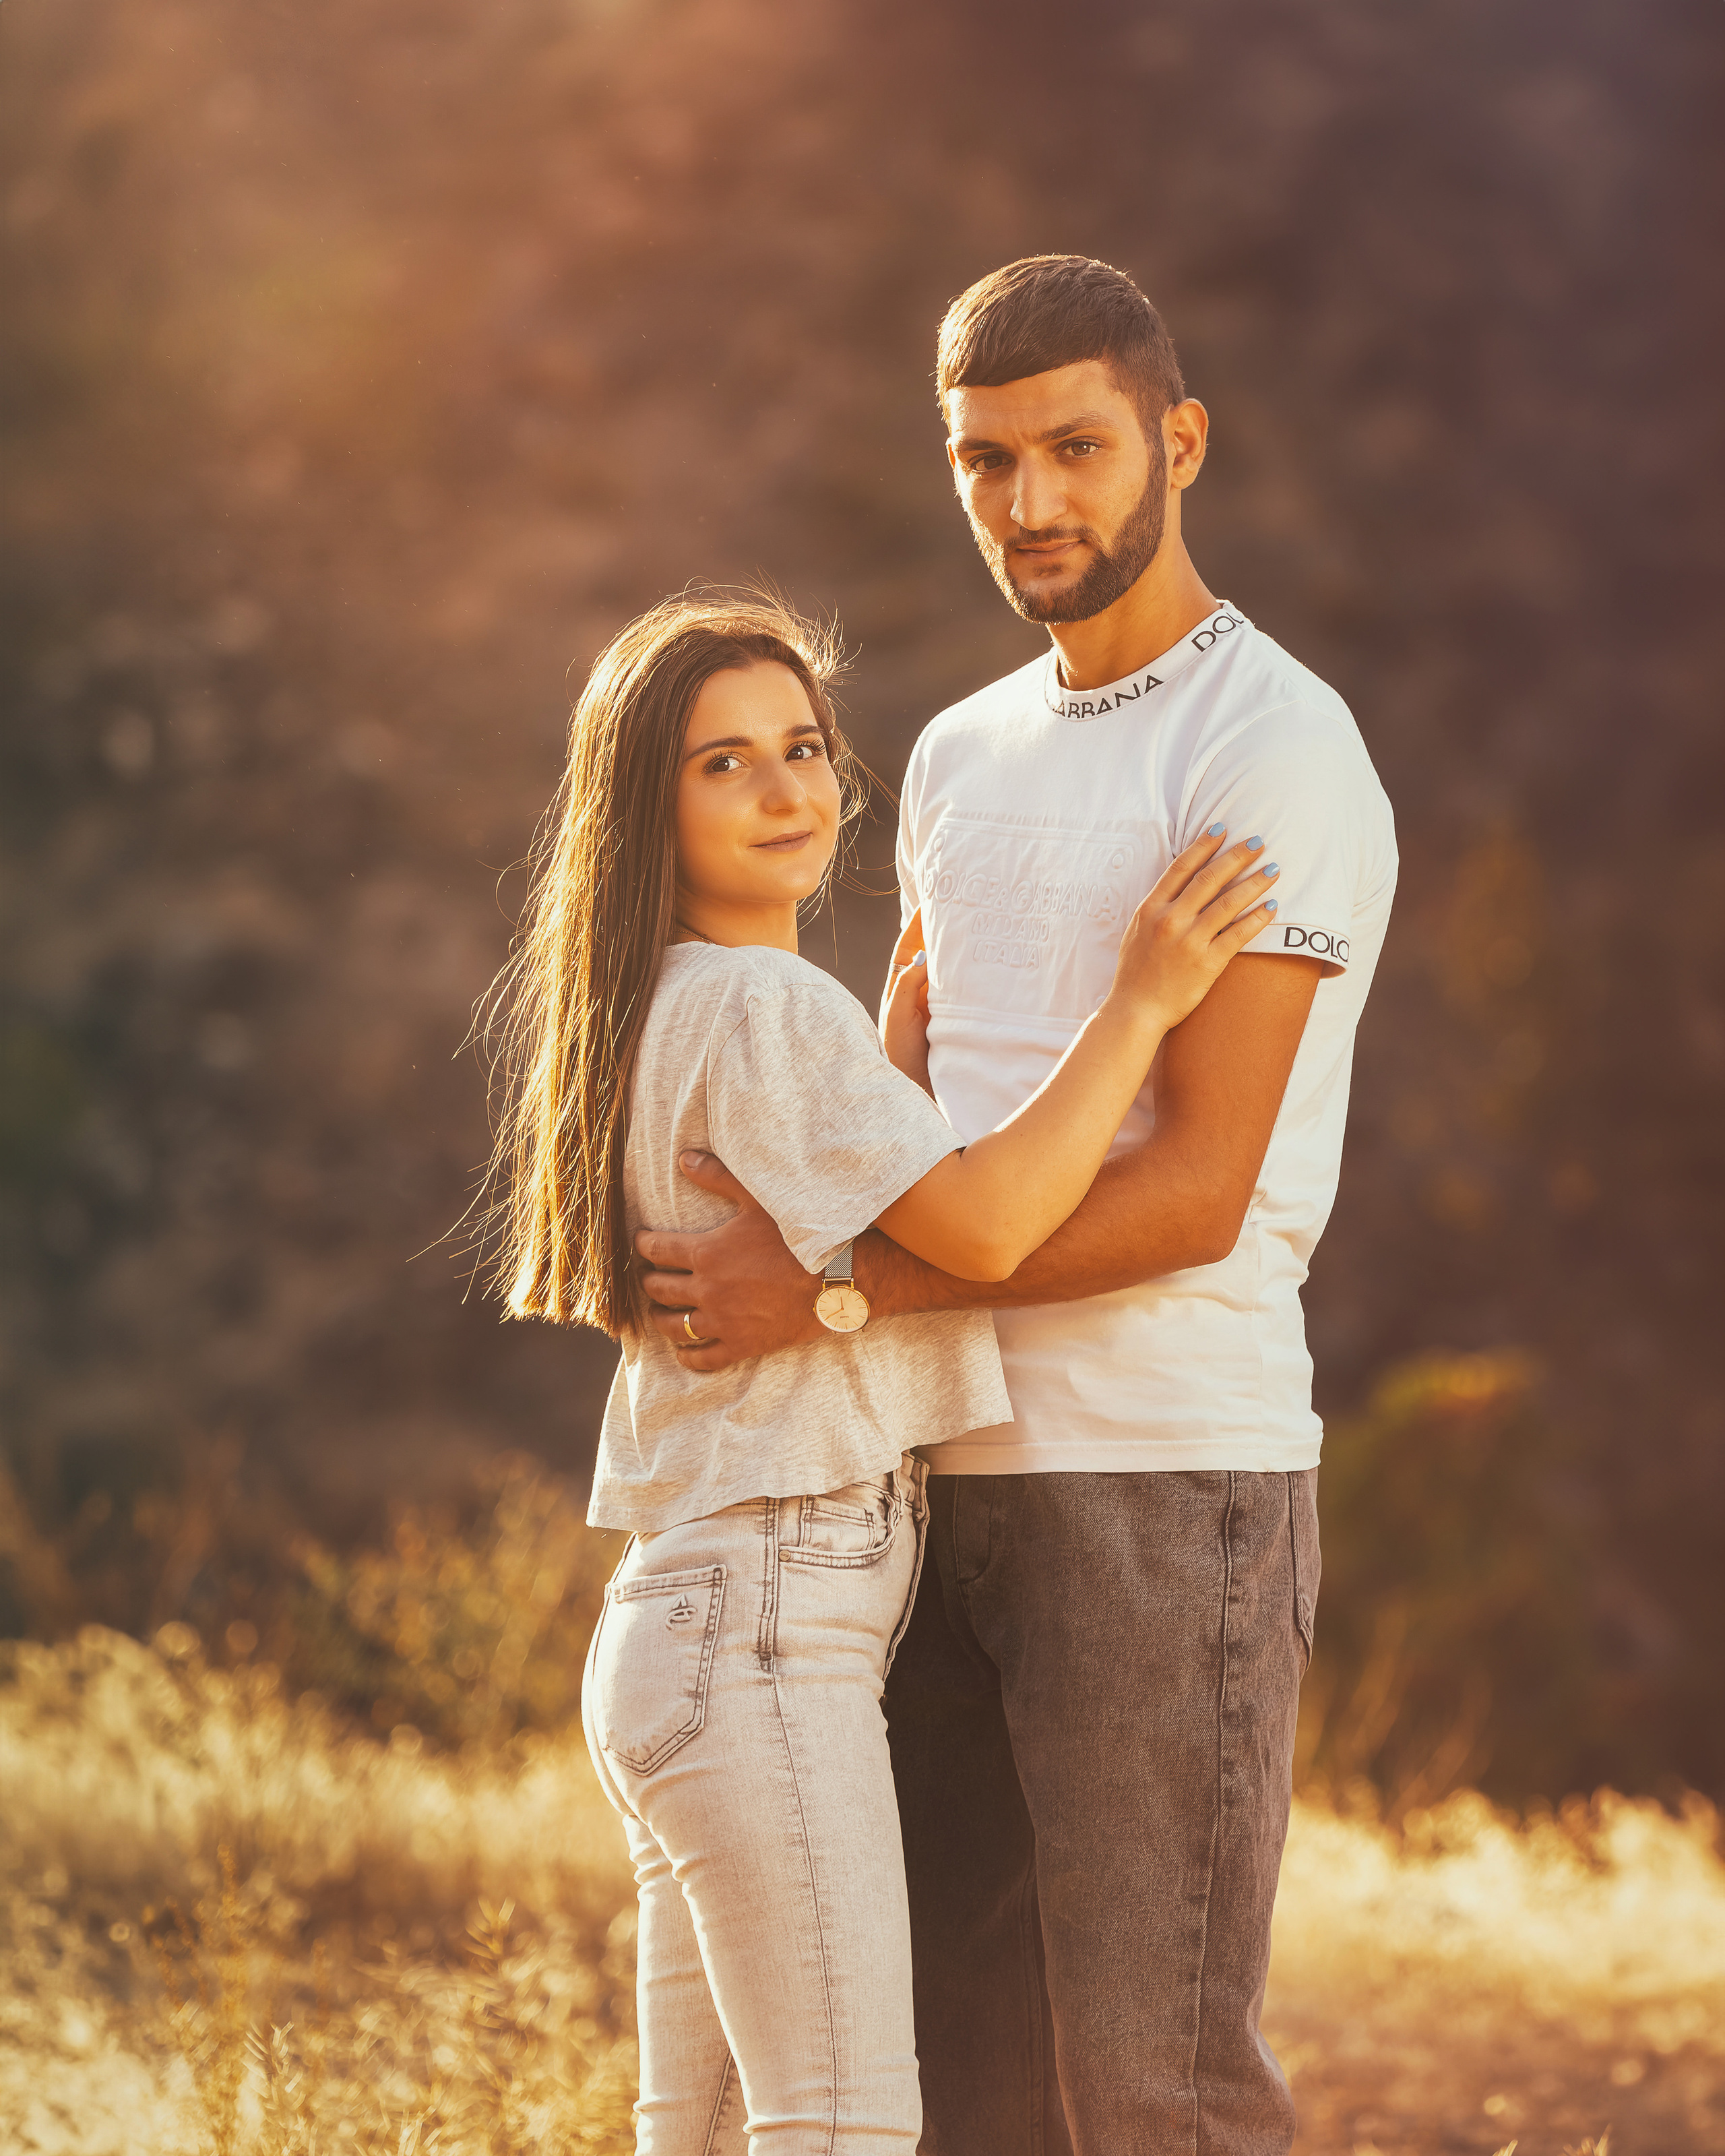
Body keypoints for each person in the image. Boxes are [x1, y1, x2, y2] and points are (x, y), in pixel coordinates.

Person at [633, 258, 1400, 2155]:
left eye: (1076, 449)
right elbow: (914, 1116)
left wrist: (822, 1298)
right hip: (920, 1498)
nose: (1032, 502)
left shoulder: (1268, 748)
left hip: (1158, 1484)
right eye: (988, 460)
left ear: (1179, 440)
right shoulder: (962, 758)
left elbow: (1199, 1192)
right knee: (964, 2093)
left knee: (1154, 2092)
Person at [483, 588, 1281, 2153]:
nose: (787, 791)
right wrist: (1140, 1000)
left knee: (703, 2133)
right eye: (724, 764)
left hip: (673, 1628)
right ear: (648, 800)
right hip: (771, 1627)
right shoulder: (769, 1006)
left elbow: (848, 1210)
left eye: (802, 748)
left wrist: (897, 1080)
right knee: (841, 2122)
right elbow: (981, 1228)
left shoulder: (651, 1008)